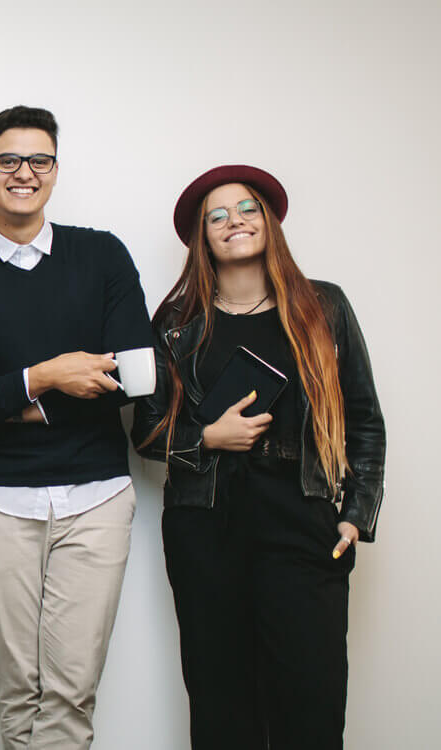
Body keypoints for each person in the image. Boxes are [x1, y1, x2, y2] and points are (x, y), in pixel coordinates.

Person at [0, 105, 152, 749]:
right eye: (9, 161)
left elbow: (135, 379)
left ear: (55, 170)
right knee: (19, 692)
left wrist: (1, 394)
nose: (25, 173)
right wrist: (47, 376)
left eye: (39, 160)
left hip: (97, 498)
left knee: (71, 693)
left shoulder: (102, 256)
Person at [131, 164, 385, 750]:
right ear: (203, 238)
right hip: (205, 530)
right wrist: (206, 439)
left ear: (268, 221)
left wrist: (355, 515)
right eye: (216, 216)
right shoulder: (175, 325)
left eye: (246, 209)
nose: (234, 221)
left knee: (311, 703)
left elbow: (364, 419)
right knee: (222, 707)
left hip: (302, 522)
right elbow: (144, 433)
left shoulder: (324, 307)